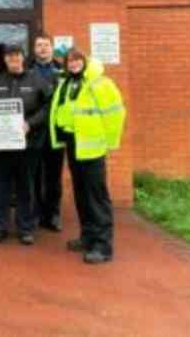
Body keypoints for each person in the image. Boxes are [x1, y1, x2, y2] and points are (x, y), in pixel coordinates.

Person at [50, 48, 125, 264]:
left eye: (76, 60)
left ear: (85, 61)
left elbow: (116, 113)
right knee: (81, 195)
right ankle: (88, 236)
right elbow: (64, 111)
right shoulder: (68, 83)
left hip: (93, 148)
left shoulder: (101, 83)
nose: (73, 64)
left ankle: (103, 246)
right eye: (69, 61)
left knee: (96, 197)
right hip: (75, 146)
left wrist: (109, 142)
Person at [0, 44, 51, 246]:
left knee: (26, 187)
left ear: (23, 58)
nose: (13, 59)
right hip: (1, 146)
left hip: (28, 145)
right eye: (10, 56)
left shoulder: (37, 80)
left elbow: (48, 107)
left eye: (17, 56)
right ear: (5, 60)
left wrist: (30, 124)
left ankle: (26, 228)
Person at [28, 33, 64, 232]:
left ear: (52, 48)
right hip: (33, 131)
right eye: (39, 45)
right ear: (34, 49)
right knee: (33, 175)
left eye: (46, 45)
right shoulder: (27, 70)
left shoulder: (63, 71)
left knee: (53, 177)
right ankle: (34, 215)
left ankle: (53, 215)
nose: (42, 49)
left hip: (55, 132)